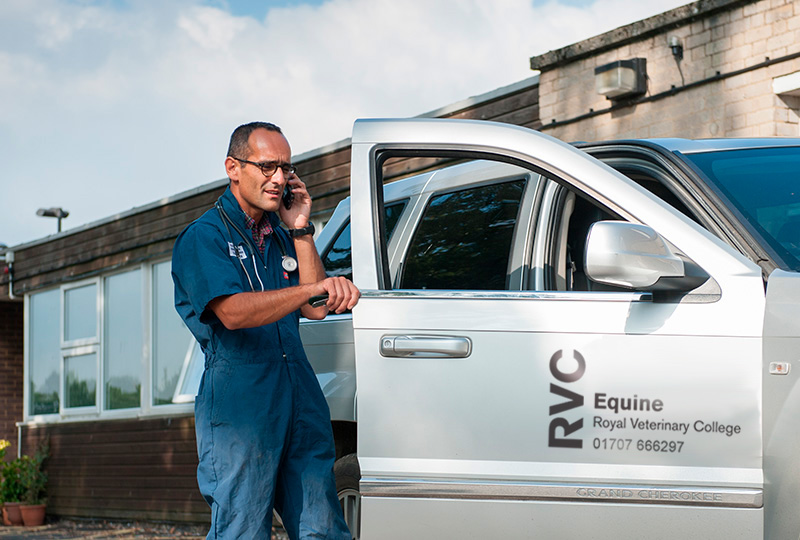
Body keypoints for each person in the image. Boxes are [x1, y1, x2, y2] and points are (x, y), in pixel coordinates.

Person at [172, 122, 360, 539]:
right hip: (241, 406)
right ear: (233, 167)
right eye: (268, 166)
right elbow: (234, 312)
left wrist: (301, 229)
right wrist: (314, 288)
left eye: (287, 168)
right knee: (242, 531)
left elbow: (314, 309)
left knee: (323, 529)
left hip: (300, 397)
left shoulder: (281, 235)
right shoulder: (204, 238)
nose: (279, 179)